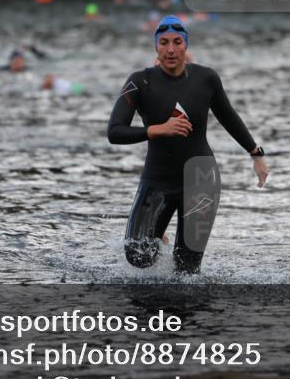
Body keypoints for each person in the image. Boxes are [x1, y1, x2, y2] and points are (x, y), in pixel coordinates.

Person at [107, 15, 268, 274]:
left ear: (186, 46)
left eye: (177, 42)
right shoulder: (139, 81)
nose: (170, 49)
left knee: (187, 271)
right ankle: (160, 238)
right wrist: (157, 130)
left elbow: (228, 116)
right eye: (164, 43)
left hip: (200, 179)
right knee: (137, 255)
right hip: (157, 179)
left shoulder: (206, 79)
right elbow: (114, 132)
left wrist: (256, 154)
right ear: (156, 47)